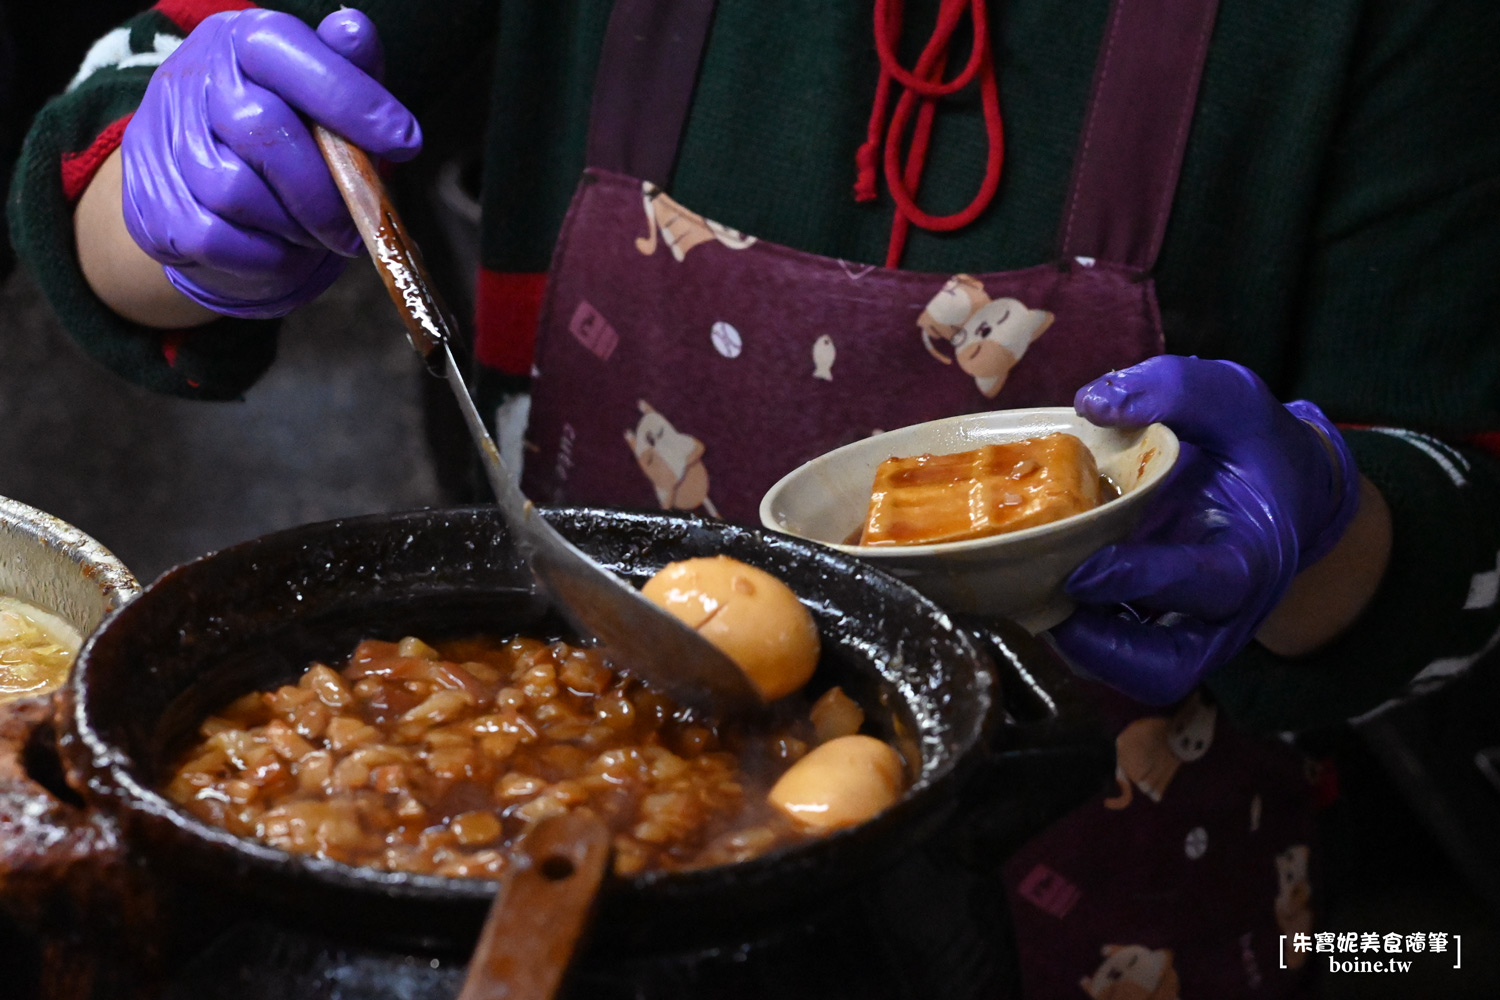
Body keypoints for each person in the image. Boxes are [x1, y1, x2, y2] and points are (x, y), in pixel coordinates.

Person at [8, 0, 1499, 996]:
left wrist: (1329, 533)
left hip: (1159, 914)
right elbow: (149, 84)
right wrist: (168, 184)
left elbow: (1462, 519)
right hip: (562, 868)